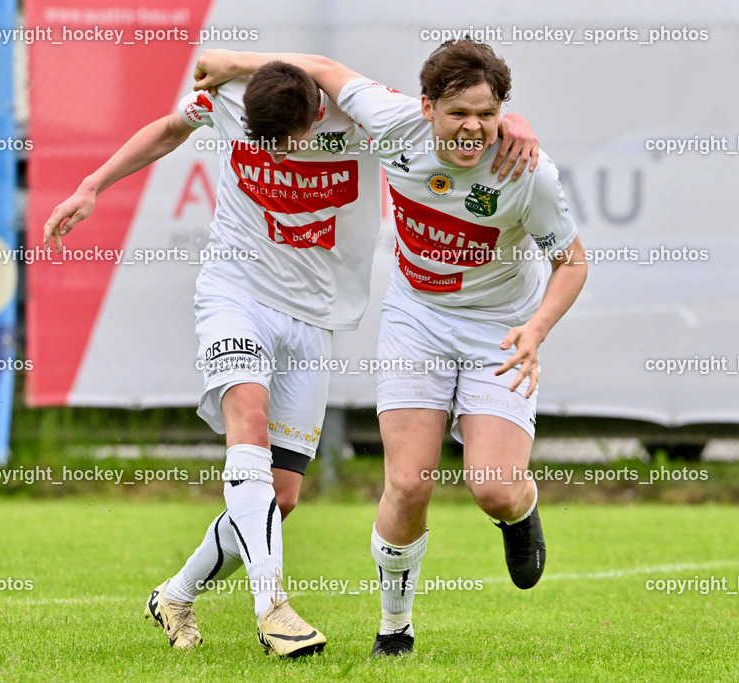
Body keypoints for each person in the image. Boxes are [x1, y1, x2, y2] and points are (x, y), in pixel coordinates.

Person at [43, 54, 538, 657]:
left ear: (315, 118)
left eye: (289, 141)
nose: (275, 154)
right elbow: (171, 128)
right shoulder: (232, 100)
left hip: (313, 314)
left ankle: (175, 594)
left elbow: (448, 117)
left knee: (278, 497)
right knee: (246, 424)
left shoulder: (363, 116)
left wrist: (515, 125)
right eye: (263, 143)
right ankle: (272, 608)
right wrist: (93, 183)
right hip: (235, 291)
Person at [195, 41, 587, 657]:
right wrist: (236, 65)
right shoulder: (391, 121)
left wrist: (535, 330)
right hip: (418, 318)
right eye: (458, 112)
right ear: (426, 106)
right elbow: (320, 69)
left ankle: (520, 511)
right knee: (408, 484)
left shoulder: (526, 171)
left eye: (487, 113)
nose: (473, 127)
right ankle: (395, 628)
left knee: (494, 487)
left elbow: (571, 263)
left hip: (499, 330)